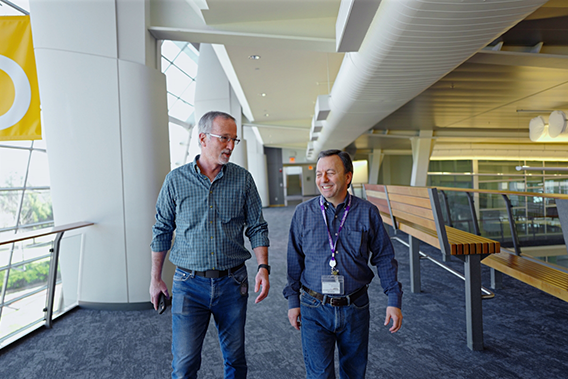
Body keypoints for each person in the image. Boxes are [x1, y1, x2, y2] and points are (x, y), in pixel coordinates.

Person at [149, 111, 270, 379]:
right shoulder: (176, 181)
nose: (230, 146)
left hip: (232, 283)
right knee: (184, 366)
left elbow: (257, 226)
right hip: (188, 285)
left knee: (235, 361)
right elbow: (162, 230)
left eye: (234, 140)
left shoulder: (243, 179)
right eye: (224, 138)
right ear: (203, 138)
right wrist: (155, 279)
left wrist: (263, 267)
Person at [283, 149, 402, 378]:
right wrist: (292, 301)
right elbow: (294, 261)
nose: (323, 180)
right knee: (319, 375)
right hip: (313, 306)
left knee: (354, 373)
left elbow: (385, 257)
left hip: (355, 306)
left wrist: (393, 299)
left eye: (330, 173)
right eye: (319, 174)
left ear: (348, 177)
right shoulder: (303, 213)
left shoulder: (367, 212)